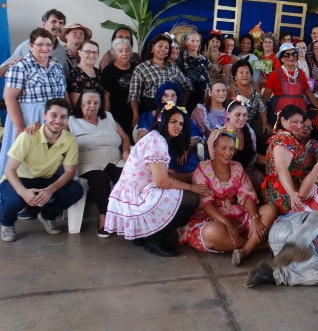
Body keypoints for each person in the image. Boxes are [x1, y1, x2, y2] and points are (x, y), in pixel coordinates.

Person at [105, 103, 208, 257]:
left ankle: (141, 235)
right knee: (191, 199)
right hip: (136, 196)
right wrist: (191, 187)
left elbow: (164, 174)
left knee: (182, 191)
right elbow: (162, 182)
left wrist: (190, 177)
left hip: (133, 190)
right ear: (163, 120)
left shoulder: (155, 137)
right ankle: (155, 238)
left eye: (181, 123)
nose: (178, 127)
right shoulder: (157, 141)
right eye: (173, 121)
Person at [244, 153, 318, 288]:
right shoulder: (315, 191)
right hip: (285, 231)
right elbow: (303, 193)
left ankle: (273, 275)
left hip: (303, 252)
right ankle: (293, 249)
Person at [179, 128, 278, 266]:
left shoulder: (237, 167)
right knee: (211, 232)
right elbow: (206, 204)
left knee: (271, 209)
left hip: (238, 214)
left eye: (231, 149)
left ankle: (245, 250)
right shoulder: (202, 169)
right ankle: (261, 245)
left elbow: (247, 194)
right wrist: (226, 223)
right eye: (223, 148)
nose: (228, 153)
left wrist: (255, 218)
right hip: (215, 218)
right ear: (214, 148)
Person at [0, 99, 83, 242]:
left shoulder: (70, 140)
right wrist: (23, 192)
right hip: (19, 178)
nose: (58, 120)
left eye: (63, 117)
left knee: (75, 190)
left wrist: (50, 189)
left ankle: (47, 216)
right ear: (44, 115)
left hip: (46, 178)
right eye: (54, 115)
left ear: (67, 119)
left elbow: (69, 172)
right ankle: (7, 223)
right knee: (15, 200)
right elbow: (9, 170)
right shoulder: (28, 136)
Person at [0, 29, 68, 178]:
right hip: (30, 117)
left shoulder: (56, 66)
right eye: (40, 44)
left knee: (53, 156)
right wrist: (19, 126)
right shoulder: (20, 67)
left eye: (48, 44)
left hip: (55, 117)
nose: (45, 48)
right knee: (26, 158)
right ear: (31, 45)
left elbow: (64, 93)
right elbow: (9, 97)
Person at [68, 90, 130, 237]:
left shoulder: (108, 117)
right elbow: (57, 137)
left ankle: (130, 216)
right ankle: (104, 216)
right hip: (89, 163)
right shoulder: (72, 121)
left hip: (115, 160)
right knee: (100, 179)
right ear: (81, 105)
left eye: (96, 103)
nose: (92, 106)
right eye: (88, 103)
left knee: (127, 177)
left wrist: (126, 152)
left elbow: (125, 138)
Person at [136, 82, 202, 175]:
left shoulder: (183, 116)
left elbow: (195, 134)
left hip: (179, 152)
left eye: (173, 96)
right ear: (160, 98)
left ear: (177, 98)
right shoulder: (149, 116)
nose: (170, 99)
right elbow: (142, 139)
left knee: (198, 170)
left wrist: (187, 147)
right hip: (157, 155)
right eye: (166, 96)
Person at [128, 32, 192, 123]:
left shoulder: (173, 67)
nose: (163, 49)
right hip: (149, 109)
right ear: (152, 47)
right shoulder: (141, 68)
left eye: (166, 47)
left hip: (170, 111)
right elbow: (134, 95)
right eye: (160, 46)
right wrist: (135, 114)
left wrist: (181, 105)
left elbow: (188, 86)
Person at [0, 9, 69, 78]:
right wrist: (10, 66)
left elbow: (65, 76)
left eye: (61, 23)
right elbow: (1, 72)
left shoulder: (62, 51)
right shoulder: (27, 46)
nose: (58, 25)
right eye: (54, 21)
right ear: (44, 24)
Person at [263, 43, 318, 122]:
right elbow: (266, 95)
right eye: (287, 55)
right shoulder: (275, 74)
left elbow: (308, 92)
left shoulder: (301, 73)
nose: (291, 57)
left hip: (300, 110)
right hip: (281, 112)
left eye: (294, 54)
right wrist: (263, 118)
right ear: (282, 59)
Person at [102, 37, 137, 140]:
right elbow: (106, 97)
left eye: (127, 50)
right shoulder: (108, 71)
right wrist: (107, 117)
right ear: (113, 53)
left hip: (135, 114)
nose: (124, 54)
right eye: (120, 51)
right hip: (117, 116)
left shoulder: (137, 68)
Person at [227, 60, 270, 137]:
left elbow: (261, 104)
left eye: (247, 72)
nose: (245, 75)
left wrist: (264, 121)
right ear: (235, 76)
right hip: (237, 122)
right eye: (241, 73)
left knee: (265, 131)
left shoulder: (254, 86)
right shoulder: (230, 89)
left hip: (253, 120)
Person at [176, 30, 210, 113]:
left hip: (201, 95)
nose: (195, 43)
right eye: (192, 41)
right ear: (186, 42)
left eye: (197, 41)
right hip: (186, 95)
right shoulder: (180, 58)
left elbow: (207, 79)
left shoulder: (204, 59)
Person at [68, 39, 103, 106]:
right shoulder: (75, 73)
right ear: (79, 53)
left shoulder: (98, 72)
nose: (92, 55)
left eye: (95, 52)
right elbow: (76, 103)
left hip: (99, 114)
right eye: (88, 52)